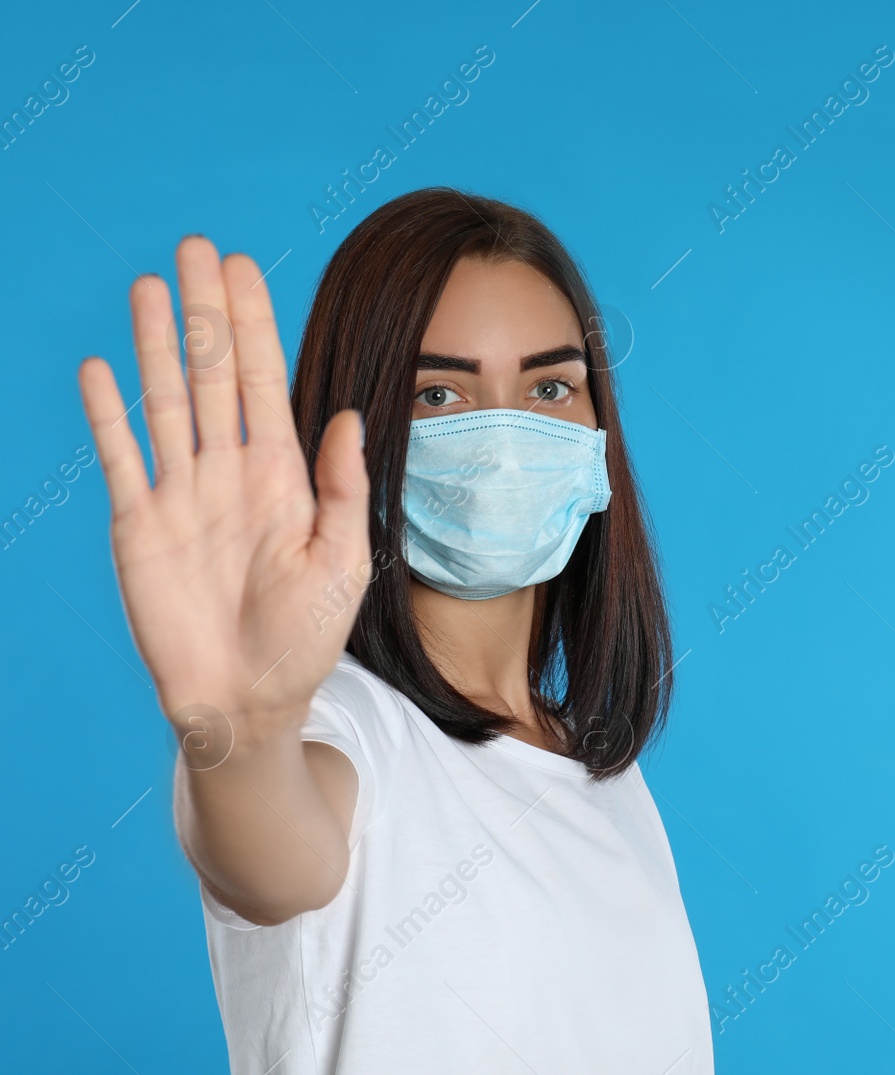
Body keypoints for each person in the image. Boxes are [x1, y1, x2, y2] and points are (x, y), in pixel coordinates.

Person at [75, 187, 714, 1073]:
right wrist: (240, 732)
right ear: (360, 428)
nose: (505, 435)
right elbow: (269, 859)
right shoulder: (340, 729)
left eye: (551, 385)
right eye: (441, 393)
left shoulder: (602, 770)